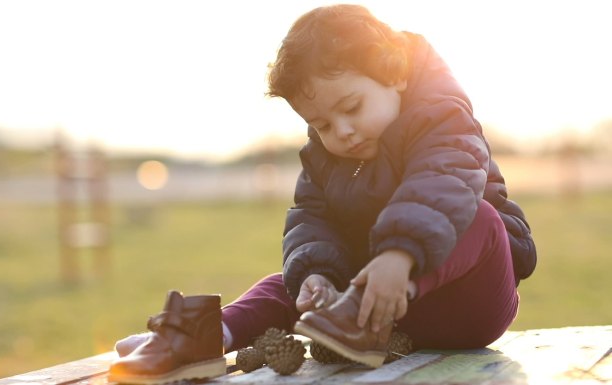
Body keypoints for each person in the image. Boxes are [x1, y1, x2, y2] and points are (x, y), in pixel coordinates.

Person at [108, 3, 536, 383]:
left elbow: (443, 183)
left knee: (478, 216)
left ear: (396, 73)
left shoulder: (442, 118)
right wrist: (315, 276)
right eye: (322, 124)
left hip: (468, 301)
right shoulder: (322, 158)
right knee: (287, 283)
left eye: (351, 108)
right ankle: (207, 337)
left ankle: (365, 303)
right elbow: (310, 219)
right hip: (369, 309)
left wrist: (398, 259)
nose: (342, 132)